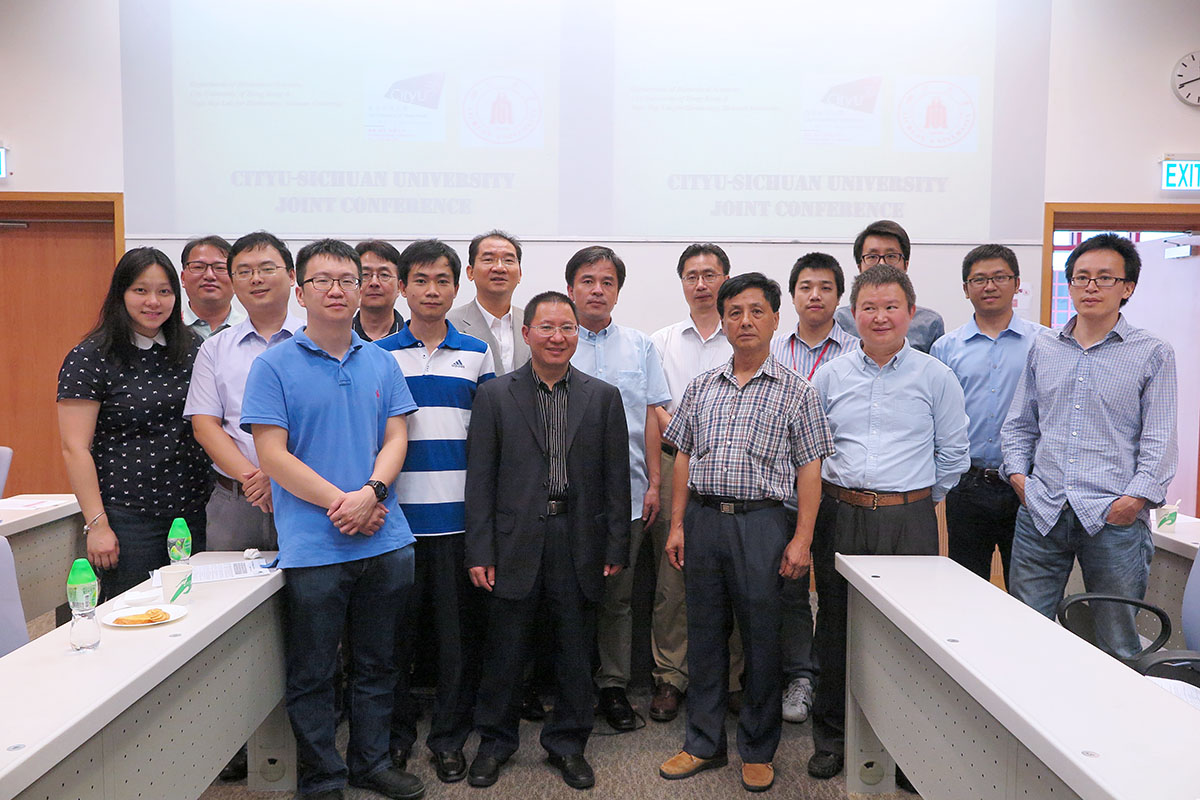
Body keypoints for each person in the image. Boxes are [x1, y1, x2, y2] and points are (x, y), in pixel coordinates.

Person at [241, 239, 424, 800]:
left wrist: (371, 493)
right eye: (323, 280)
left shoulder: (381, 360)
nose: (339, 289)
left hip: (385, 541)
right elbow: (272, 455)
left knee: (377, 665)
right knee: (314, 673)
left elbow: (397, 436)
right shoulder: (273, 365)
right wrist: (344, 505)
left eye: (349, 278)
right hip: (315, 548)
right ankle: (323, 779)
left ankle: (370, 762)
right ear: (300, 291)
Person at [659, 273, 834, 794]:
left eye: (756, 311)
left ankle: (758, 750)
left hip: (764, 524)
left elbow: (810, 469)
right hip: (704, 522)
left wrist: (802, 539)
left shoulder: (797, 391)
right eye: (734, 312)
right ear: (725, 319)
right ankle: (703, 743)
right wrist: (676, 525)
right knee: (706, 637)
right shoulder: (701, 387)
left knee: (762, 641)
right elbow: (683, 456)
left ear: (775, 319)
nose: (745, 321)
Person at [807, 265, 969, 783]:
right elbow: (813, 449)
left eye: (890, 306)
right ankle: (831, 738)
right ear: (853, 316)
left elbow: (954, 455)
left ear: (911, 313)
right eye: (869, 308)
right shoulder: (830, 375)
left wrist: (912, 501)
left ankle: (905, 750)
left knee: (908, 637)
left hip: (909, 519)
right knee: (834, 627)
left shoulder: (935, 376)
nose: (880, 317)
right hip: (841, 512)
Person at [464, 291, 630, 791]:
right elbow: (481, 481)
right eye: (548, 327)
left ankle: (568, 744)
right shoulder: (496, 395)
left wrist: (615, 546)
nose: (558, 337)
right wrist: (480, 549)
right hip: (513, 541)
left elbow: (616, 481)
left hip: (578, 537)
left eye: (568, 328)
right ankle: (495, 743)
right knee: (506, 651)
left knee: (576, 650)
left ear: (577, 334)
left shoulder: (602, 397)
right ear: (527, 333)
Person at [1002, 233, 1177, 660]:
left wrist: (1132, 502)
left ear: (1128, 288)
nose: (1091, 287)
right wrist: (1020, 479)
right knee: (1025, 630)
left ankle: (1116, 725)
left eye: (1104, 278)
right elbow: (1020, 424)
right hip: (1043, 510)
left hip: (1113, 518)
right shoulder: (1044, 346)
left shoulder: (1152, 353)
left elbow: (1160, 439)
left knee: (1117, 639)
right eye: (1081, 278)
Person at [375, 240, 494, 784]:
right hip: (393, 526)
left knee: (455, 644)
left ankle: (448, 739)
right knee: (393, 642)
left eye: (442, 280)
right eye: (419, 280)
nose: (430, 290)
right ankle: (396, 738)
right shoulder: (376, 355)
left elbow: (491, 442)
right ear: (404, 287)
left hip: (456, 525)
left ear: (456, 287)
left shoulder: (476, 353)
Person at [57, 247, 210, 601]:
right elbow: (74, 448)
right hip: (128, 517)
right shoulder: (90, 357)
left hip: (193, 510)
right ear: (120, 294)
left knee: (196, 612)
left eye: (164, 291)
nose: (153, 301)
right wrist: (97, 525)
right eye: (140, 290)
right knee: (136, 616)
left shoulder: (191, 349)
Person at [564, 245, 671, 732]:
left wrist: (654, 482)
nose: (597, 290)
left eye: (607, 282)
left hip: (625, 492)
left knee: (618, 597)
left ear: (618, 291)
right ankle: (569, 684)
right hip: (563, 497)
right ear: (571, 289)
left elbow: (652, 416)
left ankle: (613, 686)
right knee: (565, 593)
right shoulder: (555, 339)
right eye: (588, 281)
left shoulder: (639, 345)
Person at [647, 243, 741, 724]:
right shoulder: (661, 341)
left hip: (738, 474)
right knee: (674, 579)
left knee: (738, 577)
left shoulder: (746, 336)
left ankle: (733, 679)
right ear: (681, 282)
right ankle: (670, 676)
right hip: (675, 468)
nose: (701, 284)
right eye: (692, 275)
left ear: (726, 278)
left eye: (710, 274)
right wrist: (690, 440)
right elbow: (656, 404)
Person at [768, 252, 857, 725]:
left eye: (825, 286)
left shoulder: (858, 352)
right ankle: (801, 677)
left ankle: (836, 681)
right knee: (791, 589)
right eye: (805, 286)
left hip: (840, 492)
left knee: (839, 592)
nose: (815, 295)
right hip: (784, 493)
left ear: (839, 296)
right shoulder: (773, 350)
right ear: (793, 295)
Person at [931, 244, 1046, 583]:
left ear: (1017, 283)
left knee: (1027, 590)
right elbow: (938, 419)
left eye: (999, 277)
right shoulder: (946, 348)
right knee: (966, 586)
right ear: (966, 289)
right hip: (967, 485)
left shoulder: (1044, 343)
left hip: (1027, 485)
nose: (990, 286)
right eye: (979, 279)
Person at [186, 231, 302, 553]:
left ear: (292, 276)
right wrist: (256, 481)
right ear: (234, 282)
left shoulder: (315, 343)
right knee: (231, 595)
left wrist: (279, 478)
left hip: (305, 496)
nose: (256, 279)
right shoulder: (214, 348)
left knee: (307, 595)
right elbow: (205, 426)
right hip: (235, 499)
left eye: (267, 269)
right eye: (245, 272)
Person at [833, 220, 945, 353]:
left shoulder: (929, 323)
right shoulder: (840, 320)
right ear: (859, 266)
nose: (881, 264)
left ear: (906, 264)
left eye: (891, 256)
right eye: (872, 256)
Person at [447, 230, 530, 375]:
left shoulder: (533, 323)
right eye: (488, 260)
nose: (499, 268)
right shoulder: (449, 324)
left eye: (508, 260)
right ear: (470, 272)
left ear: (520, 274)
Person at [180, 235, 245, 339]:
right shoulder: (166, 330)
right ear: (183, 278)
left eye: (220, 267)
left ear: (234, 278)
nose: (209, 275)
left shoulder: (251, 330)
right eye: (198, 267)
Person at [353, 239, 405, 341]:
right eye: (365, 275)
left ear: (399, 286)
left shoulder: (413, 339)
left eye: (384, 275)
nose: (374, 283)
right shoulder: (341, 338)